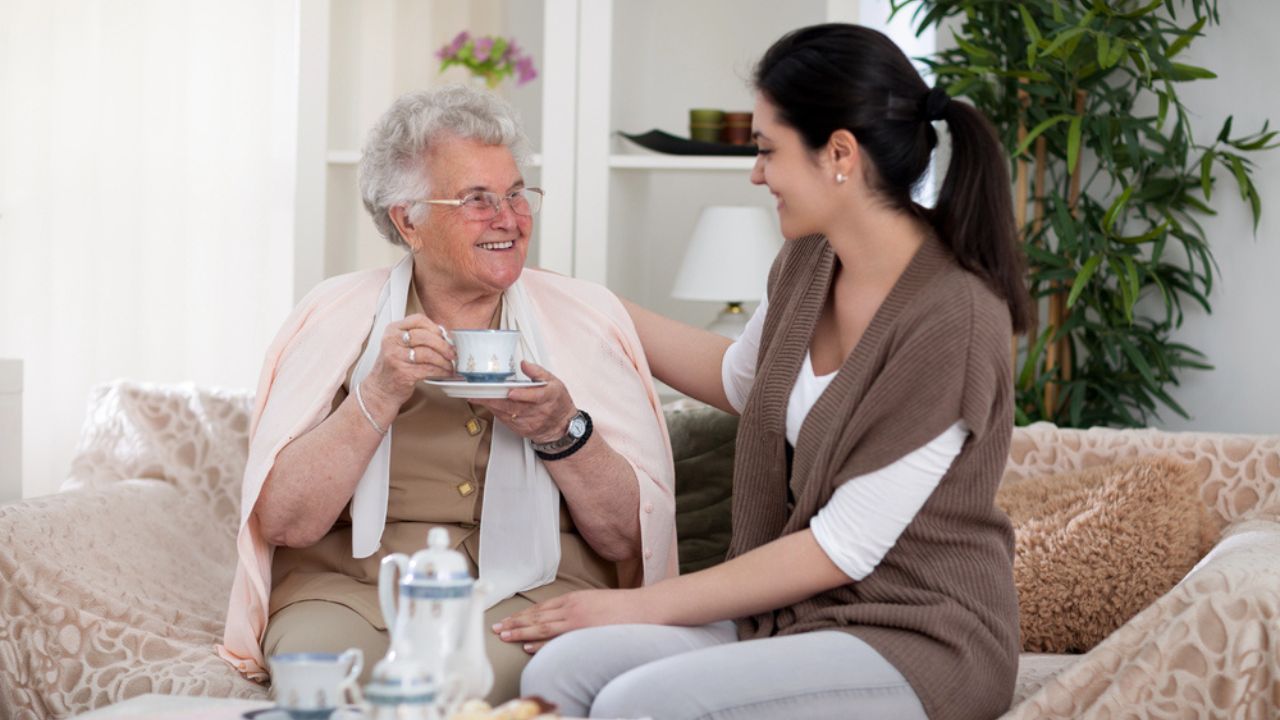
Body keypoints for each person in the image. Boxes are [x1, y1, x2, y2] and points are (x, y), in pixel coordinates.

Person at [500, 23, 1034, 720]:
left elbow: (840, 548)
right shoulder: (811, 261)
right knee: (562, 669)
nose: (756, 173)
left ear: (838, 153)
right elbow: (740, 380)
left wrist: (635, 606)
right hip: (800, 615)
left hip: (919, 635)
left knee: (645, 703)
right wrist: (571, 298)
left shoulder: (953, 320)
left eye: (766, 149)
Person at [216, 84, 678, 703]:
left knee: (459, 692)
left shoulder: (583, 318)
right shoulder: (334, 316)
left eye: (516, 195)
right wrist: (374, 396)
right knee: (322, 682)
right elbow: (284, 521)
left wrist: (560, 431)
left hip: (532, 586)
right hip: (350, 587)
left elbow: (629, 539)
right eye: (476, 200)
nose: (509, 219)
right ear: (409, 220)